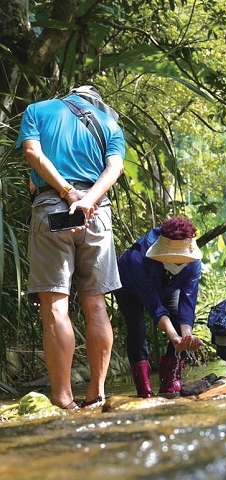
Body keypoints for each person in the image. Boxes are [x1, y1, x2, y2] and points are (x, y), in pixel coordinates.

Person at [16, 85, 125, 410]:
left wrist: (67, 193)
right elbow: (115, 168)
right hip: (96, 214)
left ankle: (63, 398)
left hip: (53, 209)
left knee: (55, 308)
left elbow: (33, 153)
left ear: (69, 96)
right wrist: (89, 200)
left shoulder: (38, 110)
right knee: (96, 306)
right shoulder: (110, 123)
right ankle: (96, 393)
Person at [114, 217, 204, 398]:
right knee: (137, 329)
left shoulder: (194, 261)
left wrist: (185, 336)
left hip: (167, 286)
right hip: (129, 286)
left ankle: (170, 383)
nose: (180, 262)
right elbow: (154, 305)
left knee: (179, 319)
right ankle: (144, 390)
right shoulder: (138, 259)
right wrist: (173, 337)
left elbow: (188, 301)